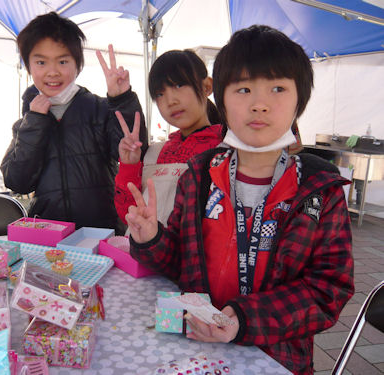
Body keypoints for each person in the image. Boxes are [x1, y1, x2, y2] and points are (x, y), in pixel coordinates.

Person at [125, 25, 354, 375]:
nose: (259, 104)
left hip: (275, 359)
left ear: (299, 102)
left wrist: (244, 318)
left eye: (278, 88)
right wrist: (151, 238)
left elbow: (328, 289)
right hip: (196, 349)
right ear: (222, 98)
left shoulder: (321, 190)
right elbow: (178, 264)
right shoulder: (198, 176)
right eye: (243, 89)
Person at [0, 12, 148, 234]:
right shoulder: (27, 122)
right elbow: (17, 182)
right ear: (29, 67)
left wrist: (122, 100)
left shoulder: (100, 109)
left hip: (103, 233)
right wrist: (36, 122)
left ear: (78, 65)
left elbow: (133, 151)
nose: (52, 72)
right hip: (50, 237)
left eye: (62, 61)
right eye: (41, 62)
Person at [114, 49, 223, 228]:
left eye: (179, 85)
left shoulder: (225, 148)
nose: (170, 101)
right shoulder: (154, 152)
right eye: (159, 94)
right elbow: (129, 213)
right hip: (145, 253)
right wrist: (129, 166)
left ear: (206, 87)